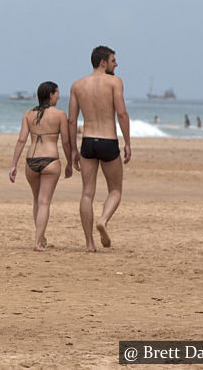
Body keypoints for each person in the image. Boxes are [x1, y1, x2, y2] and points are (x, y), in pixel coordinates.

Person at [68, 46, 131, 252]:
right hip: (108, 141)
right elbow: (121, 113)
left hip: (88, 142)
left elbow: (71, 120)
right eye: (113, 60)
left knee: (87, 193)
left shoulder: (77, 85)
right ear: (103, 62)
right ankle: (103, 220)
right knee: (115, 190)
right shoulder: (114, 82)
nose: (117, 64)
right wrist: (128, 142)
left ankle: (89, 244)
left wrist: (73, 150)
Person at [9, 81, 72, 251]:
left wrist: (13, 165)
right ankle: (37, 242)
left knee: (37, 201)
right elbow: (66, 142)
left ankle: (41, 236)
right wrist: (70, 163)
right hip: (50, 160)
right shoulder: (59, 115)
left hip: (31, 161)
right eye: (57, 93)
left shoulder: (28, 114)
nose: (59, 96)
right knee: (44, 202)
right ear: (51, 95)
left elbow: (21, 140)